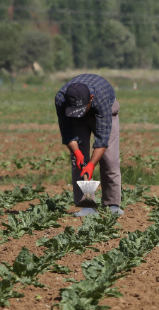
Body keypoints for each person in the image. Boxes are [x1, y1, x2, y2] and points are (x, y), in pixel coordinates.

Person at [55, 74, 123, 217]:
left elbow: (102, 138)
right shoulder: (61, 99)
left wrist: (92, 165)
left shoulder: (101, 97)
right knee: (79, 162)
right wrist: (78, 153)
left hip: (106, 112)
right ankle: (87, 206)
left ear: (90, 99)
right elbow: (67, 132)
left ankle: (112, 204)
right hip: (77, 118)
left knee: (109, 160)